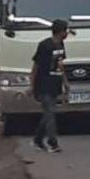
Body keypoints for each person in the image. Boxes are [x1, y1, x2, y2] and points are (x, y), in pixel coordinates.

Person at [31, 20, 71, 153]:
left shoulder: (60, 44)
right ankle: (52, 142)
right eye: (66, 31)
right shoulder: (44, 45)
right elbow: (36, 65)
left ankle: (38, 138)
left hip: (55, 82)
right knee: (50, 112)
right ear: (60, 31)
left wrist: (65, 81)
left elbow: (60, 64)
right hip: (43, 82)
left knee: (49, 112)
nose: (67, 33)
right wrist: (32, 84)